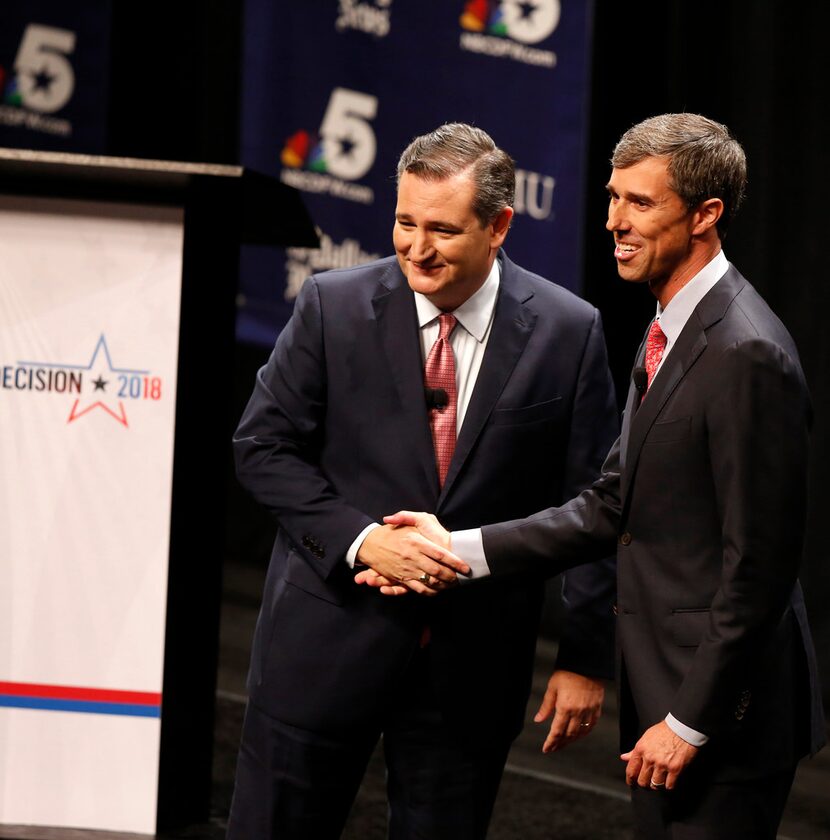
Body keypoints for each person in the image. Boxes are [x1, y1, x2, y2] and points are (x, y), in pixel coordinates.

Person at [368, 113, 826, 839]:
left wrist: (690, 721)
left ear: (706, 215)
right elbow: (612, 503)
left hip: (721, 718)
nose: (614, 222)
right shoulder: (670, 329)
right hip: (670, 694)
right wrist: (455, 549)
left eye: (640, 204)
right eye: (613, 198)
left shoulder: (745, 352)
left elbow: (760, 570)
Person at [226, 122, 619, 839]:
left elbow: (595, 503)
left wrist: (586, 658)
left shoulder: (569, 330)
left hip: (471, 669)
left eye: (441, 229)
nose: (415, 247)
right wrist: (362, 540)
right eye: (405, 222)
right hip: (323, 645)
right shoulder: (331, 305)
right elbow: (261, 447)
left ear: (498, 225)